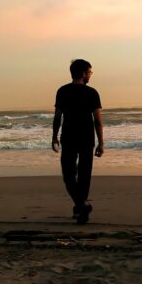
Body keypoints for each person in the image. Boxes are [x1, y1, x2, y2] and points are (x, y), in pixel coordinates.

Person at [52, 59, 104, 224]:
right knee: (83, 175)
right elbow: (97, 120)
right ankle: (82, 204)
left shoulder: (62, 91)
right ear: (83, 73)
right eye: (89, 72)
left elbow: (57, 118)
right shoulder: (92, 93)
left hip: (68, 137)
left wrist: (54, 137)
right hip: (86, 138)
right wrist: (101, 142)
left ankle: (80, 208)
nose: (90, 75)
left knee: (69, 175)